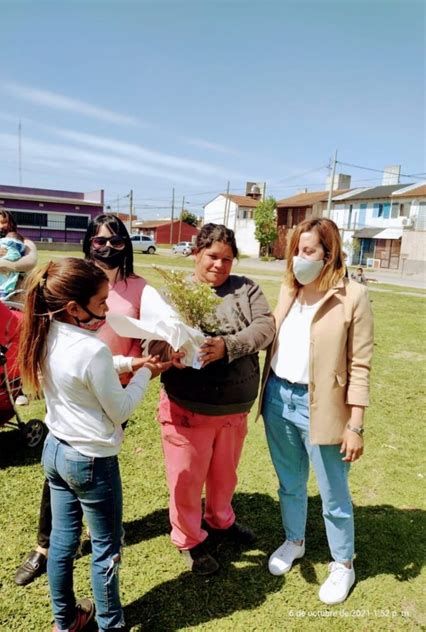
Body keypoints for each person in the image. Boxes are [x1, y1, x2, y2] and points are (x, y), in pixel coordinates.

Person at [18, 257, 168, 632]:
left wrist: (131, 364)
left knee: (62, 545)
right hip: (91, 461)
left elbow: (90, 371)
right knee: (106, 548)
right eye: (101, 302)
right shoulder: (91, 348)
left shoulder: (46, 331)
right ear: (74, 307)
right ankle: (111, 625)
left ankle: (65, 621)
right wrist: (146, 372)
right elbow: (120, 409)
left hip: (55, 451)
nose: (107, 308)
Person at [15, 213, 153, 586]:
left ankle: (82, 554)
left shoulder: (137, 289)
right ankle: (53, 551)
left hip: (96, 400)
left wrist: (136, 360)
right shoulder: (72, 284)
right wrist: (146, 373)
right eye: (100, 241)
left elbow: (137, 341)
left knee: (78, 506)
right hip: (79, 406)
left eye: (117, 242)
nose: (108, 248)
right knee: (97, 530)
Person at [148, 223, 275, 575]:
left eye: (227, 259)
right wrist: (169, 350)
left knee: (224, 475)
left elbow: (265, 327)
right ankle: (189, 538)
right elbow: (153, 342)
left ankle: (221, 521)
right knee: (186, 477)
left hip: (234, 409)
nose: (219, 265)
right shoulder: (174, 294)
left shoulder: (247, 290)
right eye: (212, 256)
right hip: (188, 408)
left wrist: (228, 346)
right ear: (196, 254)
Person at [260, 218, 373, 605]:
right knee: (290, 482)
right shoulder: (290, 286)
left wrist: (355, 425)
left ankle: (343, 563)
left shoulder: (352, 296)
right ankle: (295, 541)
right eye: (295, 249)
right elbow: (269, 332)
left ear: (329, 254)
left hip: (322, 407)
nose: (298, 258)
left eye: (308, 250)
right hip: (277, 397)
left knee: (333, 492)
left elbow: (360, 365)